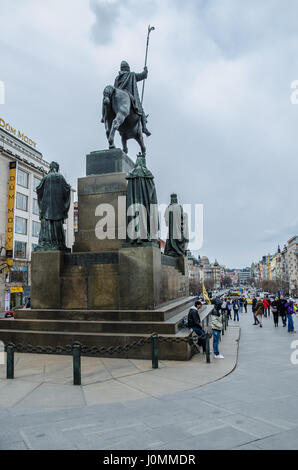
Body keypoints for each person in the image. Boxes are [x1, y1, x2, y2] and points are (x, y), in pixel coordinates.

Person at [114, 60, 151, 136]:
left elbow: (115, 89)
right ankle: (144, 128)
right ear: (128, 68)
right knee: (140, 109)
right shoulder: (131, 75)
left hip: (119, 98)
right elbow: (143, 75)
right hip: (129, 95)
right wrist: (145, 70)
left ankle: (105, 118)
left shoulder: (117, 78)